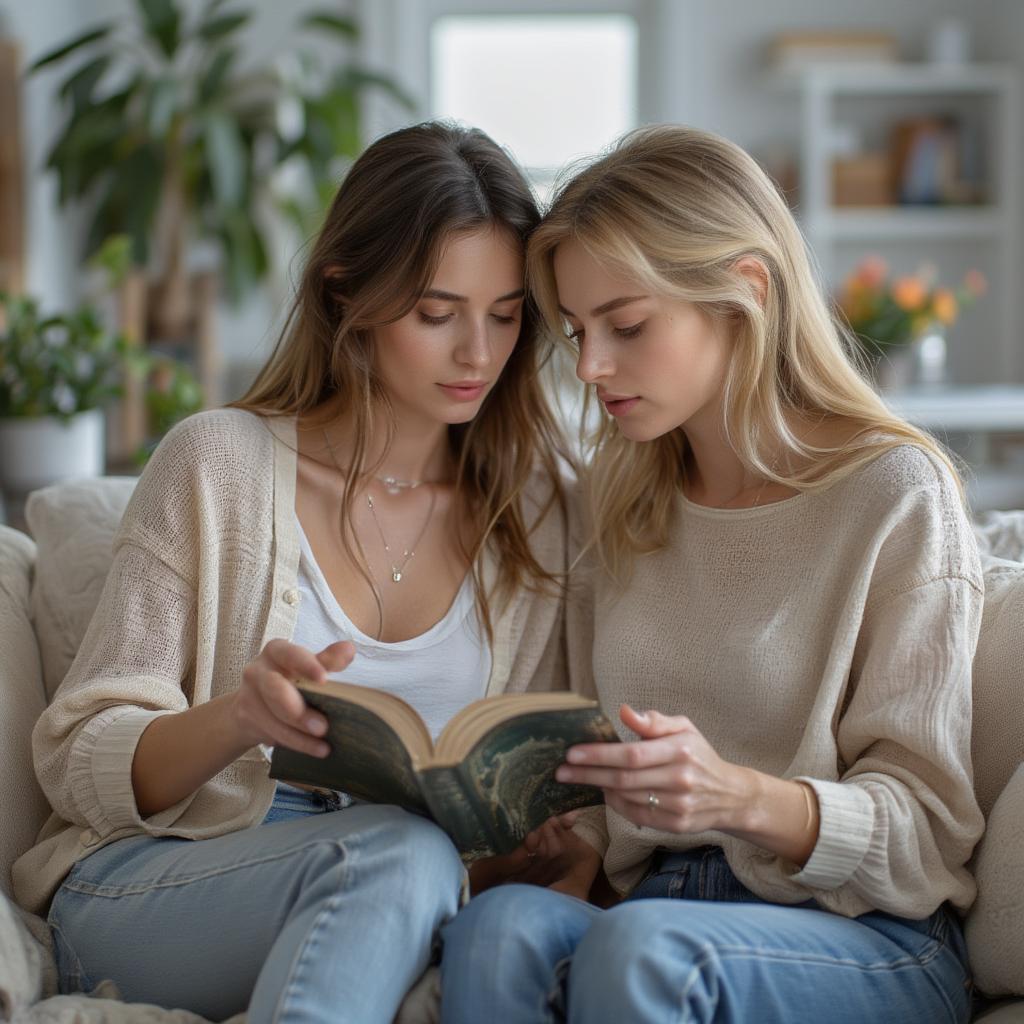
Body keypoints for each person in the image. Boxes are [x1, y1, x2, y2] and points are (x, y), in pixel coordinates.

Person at [14, 121, 575, 1024]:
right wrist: (240, 718)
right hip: (152, 886)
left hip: (401, 884)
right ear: (345, 293)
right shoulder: (216, 465)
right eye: (437, 313)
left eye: (506, 315)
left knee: (410, 860)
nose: (479, 352)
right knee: (400, 856)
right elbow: (79, 758)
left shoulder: (538, 515)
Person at [439, 124, 985, 1024]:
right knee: (498, 929)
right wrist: (566, 838)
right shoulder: (621, 499)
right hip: (656, 911)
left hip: (867, 934)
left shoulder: (894, 493)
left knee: (641, 949)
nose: (590, 366)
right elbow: (597, 789)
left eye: (627, 325)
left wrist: (738, 797)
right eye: (577, 331)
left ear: (745, 291)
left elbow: (926, 832)